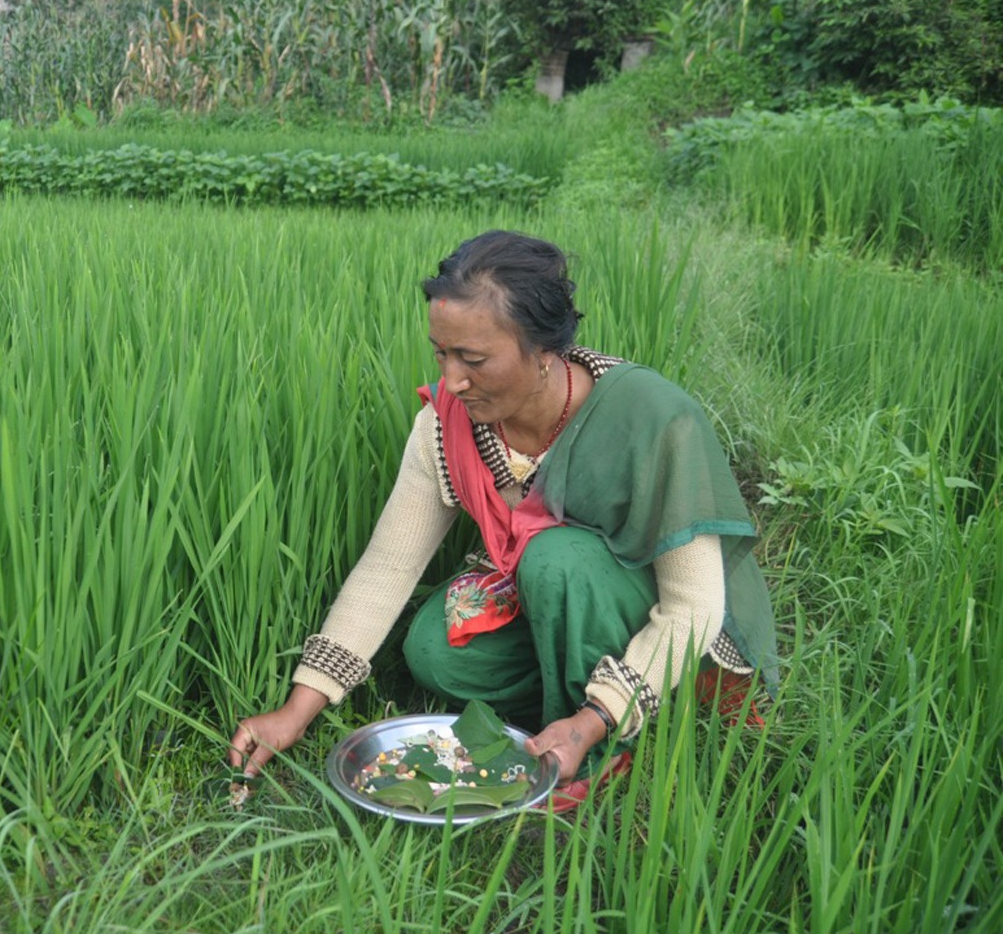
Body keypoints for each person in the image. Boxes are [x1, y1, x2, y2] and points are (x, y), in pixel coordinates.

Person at [227, 230, 777, 808]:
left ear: (544, 352)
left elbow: (694, 606)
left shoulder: (655, 420)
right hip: (558, 597)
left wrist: (592, 718)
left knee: (554, 559)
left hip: (664, 612)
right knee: (435, 649)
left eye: (474, 359)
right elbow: (389, 565)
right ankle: (578, 700)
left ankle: (606, 737)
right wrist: (298, 708)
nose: (453, 379)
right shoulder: (447, 424)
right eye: (442, 352)